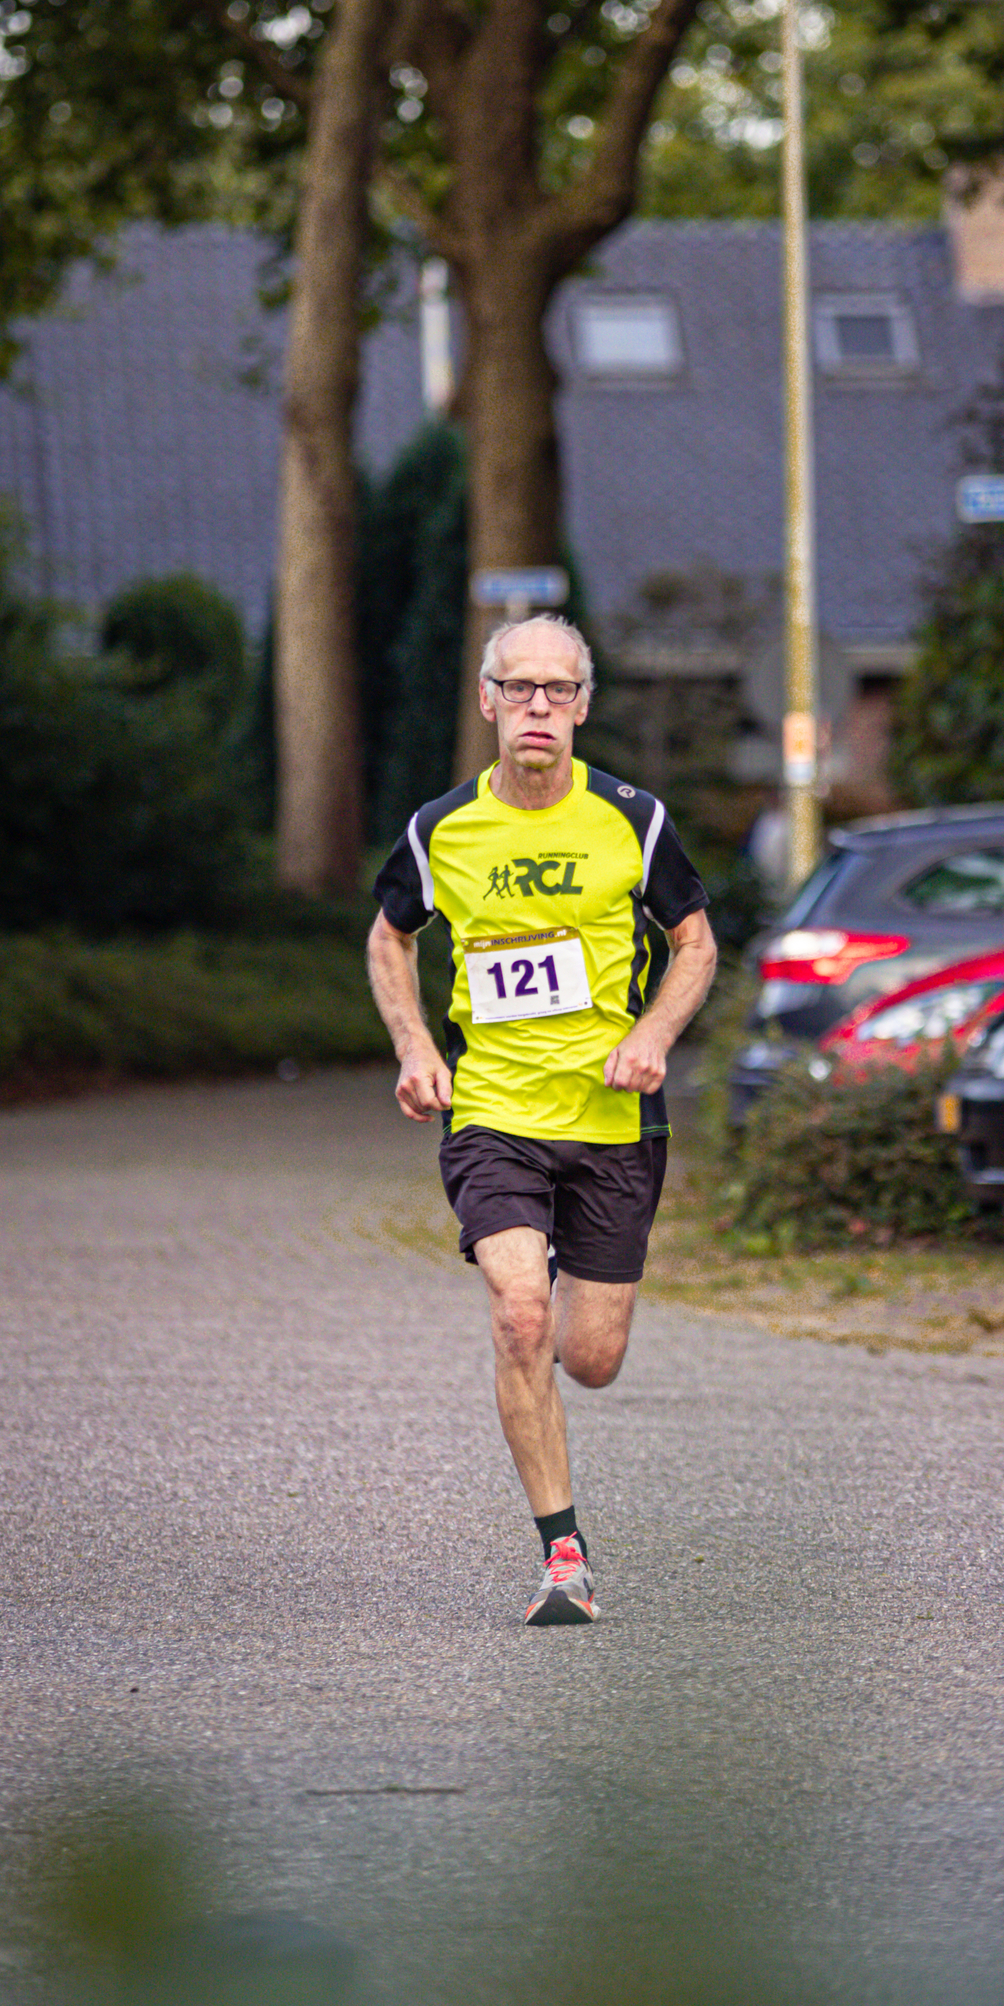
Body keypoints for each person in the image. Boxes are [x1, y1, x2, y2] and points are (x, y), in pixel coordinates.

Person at [367, 615, 718, 1626]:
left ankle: (559, 1322)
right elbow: (388, 940)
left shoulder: (633, 820)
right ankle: (563, 1558)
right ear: (487, 701)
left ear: (582, 707)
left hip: (613, 1121)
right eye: (517, 688)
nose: (536, 707)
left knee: (590, 1358)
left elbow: (695, 942)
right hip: (493, 1114)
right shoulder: (441, 829)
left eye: (557, 690)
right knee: (521, 1315)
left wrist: (654, 1033)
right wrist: (415, 1048)